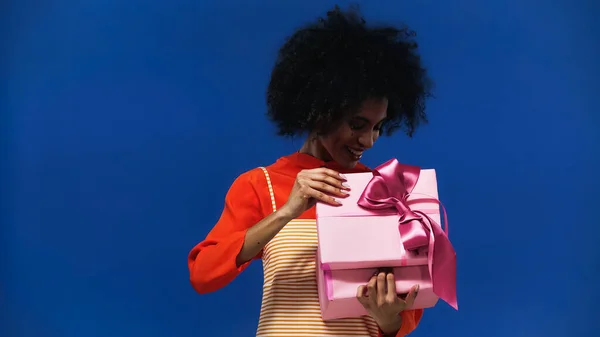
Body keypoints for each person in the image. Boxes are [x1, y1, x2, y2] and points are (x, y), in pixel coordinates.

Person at [188, 5, 433, 337]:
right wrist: (288, 211)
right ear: (320, 112)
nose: (369, 141)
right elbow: (203, 275)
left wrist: (389, 316)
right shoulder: (261, 185)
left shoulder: (384, 192)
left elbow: (402, 321)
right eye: (357, 124)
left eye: (378, 127)